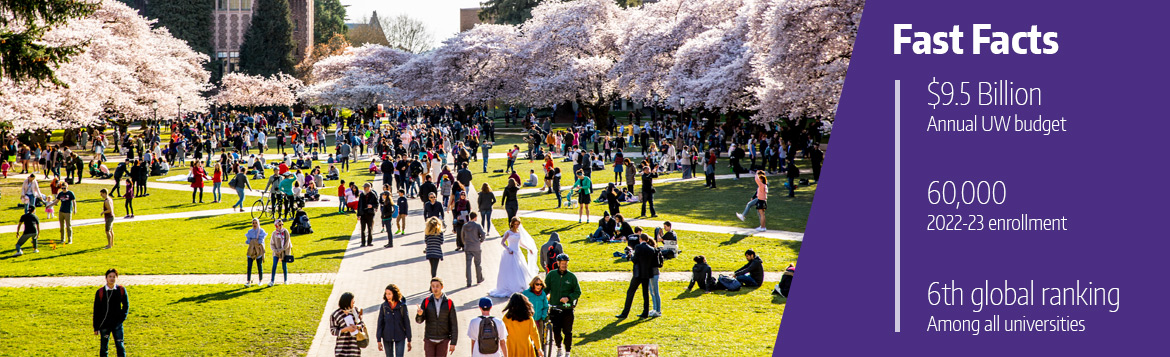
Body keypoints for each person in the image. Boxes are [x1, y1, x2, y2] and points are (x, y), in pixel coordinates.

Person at [488, 217, 538, 298]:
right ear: (512, 224)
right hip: (510, 253)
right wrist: (508, 249)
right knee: (510, 270)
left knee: (520, 269)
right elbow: (502, 242)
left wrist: (528, 248)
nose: (516, 226)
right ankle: (510, 286)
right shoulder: (508, 232)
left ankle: (519, 285)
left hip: (518, 252)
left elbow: (520, 243)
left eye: (518, 224)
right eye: (515, 224)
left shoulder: (519, 233)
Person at [545, 254, 580, 357]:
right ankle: (559, 348)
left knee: (567, 331)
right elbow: (546, 289)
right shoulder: (551, 275)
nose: (564, 265)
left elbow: (577, 292)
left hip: (567, 308)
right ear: (558, 263)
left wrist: (568, 298)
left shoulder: (571, 277)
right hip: (555, 307)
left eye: (566, 263)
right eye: (562, 263)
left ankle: (568, 351)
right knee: (556, 330)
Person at [616, 234, 657, 319]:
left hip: (638, 274)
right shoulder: (652, 249)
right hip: (646, 274)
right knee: (645, 294)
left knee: (630, 292)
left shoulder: (638, 247)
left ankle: (625, 313)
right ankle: (645, 312)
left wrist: (631, 256)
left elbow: (635, 260)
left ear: (641, 239)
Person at [416, 278, 459, 357]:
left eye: (437, 286)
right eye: (433, 286)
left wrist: (453, 342)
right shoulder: (426, 301)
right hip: (429, 339)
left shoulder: (449, 302)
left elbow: (454, 324)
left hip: (443, 339)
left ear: (442, 287)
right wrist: (419, 315)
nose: (435, 288)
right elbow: (419, 321)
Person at [93, 268, 129, 357]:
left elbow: (126, 306)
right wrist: (96, 327)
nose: (112, 279)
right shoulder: (100, 292)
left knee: (120, 346)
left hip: (117, 324)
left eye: (114, 276)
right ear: (106, 278)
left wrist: (121, 319)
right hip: (104, 324)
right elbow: (96, 310)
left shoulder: (121, 290)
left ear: (116, 278)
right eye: (110, 276)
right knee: (104, 348)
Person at [377, 284, 412, 357]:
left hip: (400, 336)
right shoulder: (384, 306)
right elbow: (380, 323)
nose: (387, 296)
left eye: (389, 294)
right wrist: (379, 340)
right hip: (387, 337)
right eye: (386, 294)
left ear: (394, 294)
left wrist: (409, 339)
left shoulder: (402, 306)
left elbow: (407, 322)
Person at [502, 293, 542, 357]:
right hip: (525, 346)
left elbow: (502, 334)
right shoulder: (529, 318)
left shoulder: (506, 318)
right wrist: (538, 348)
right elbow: (534, 334)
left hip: (511, 346)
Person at [330, 292, 365, 357]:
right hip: (341, 349)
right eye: (352, 301)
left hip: (354, 348)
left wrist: (357, 327)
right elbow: (332, 330)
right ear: (347, 302)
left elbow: (362, 324)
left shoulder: (355, 311)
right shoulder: (335, 315)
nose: (354, 302)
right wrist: (346, 329)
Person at [522, 277, 550, 350]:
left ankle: (538, 353)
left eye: (541, 284)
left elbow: (545, 306)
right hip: (528, 320)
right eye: (537, 284)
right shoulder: (526, 293)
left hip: (539, 319)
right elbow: (522, 305)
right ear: (533, 284)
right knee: (528, 339)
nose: (539, 286)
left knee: (539, 338)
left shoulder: (543, 294)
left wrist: (543, 316)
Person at [462, 212, 487, 287]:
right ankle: (479, 278)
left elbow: (462, 236)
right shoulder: (477, 225)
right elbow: (483, 234)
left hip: (468, 247)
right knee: (478, 264)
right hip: (476, 247)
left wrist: (465, 243)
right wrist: (481, 241)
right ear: (475, 217)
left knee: (468, 265)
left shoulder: (465, 226)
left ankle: (468, 282)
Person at [245, 218, 267, 287]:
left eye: (256, 223)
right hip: (251, 250)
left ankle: (260, 280)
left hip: (258, 251)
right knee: (249, 266)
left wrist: (255, 241)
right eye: (253, 223)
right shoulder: (250, 231)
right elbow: (248, 241)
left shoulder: (261, 231)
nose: (254, 224)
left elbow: (261, 241)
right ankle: (248, 281)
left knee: (259, 266)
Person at [269, 218, 291, 286]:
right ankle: (272, 281)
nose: (281, 226)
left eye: (282, 224)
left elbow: (287, 242)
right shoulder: (274, 233)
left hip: (284, 252)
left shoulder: (285, 231)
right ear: (276, 225)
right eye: (279, 224)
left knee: (284, 266)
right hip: (276, 252)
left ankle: (285, 280)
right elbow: (272, 244)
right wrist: (276, 250)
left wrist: (282, 249)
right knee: (274, 266)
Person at [358, 183, 379, 247]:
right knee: (363, 229)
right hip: (363, 214)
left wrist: (372, 206)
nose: (364, 189)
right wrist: (358, 214)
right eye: (364, 187)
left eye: (366, 187)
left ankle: (369, 242)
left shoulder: (373, 195)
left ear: (369, 187)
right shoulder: (362, 195)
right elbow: (359, 205)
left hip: (370, 214)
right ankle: (363, 242)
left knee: (370, 228)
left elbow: (377, 204)